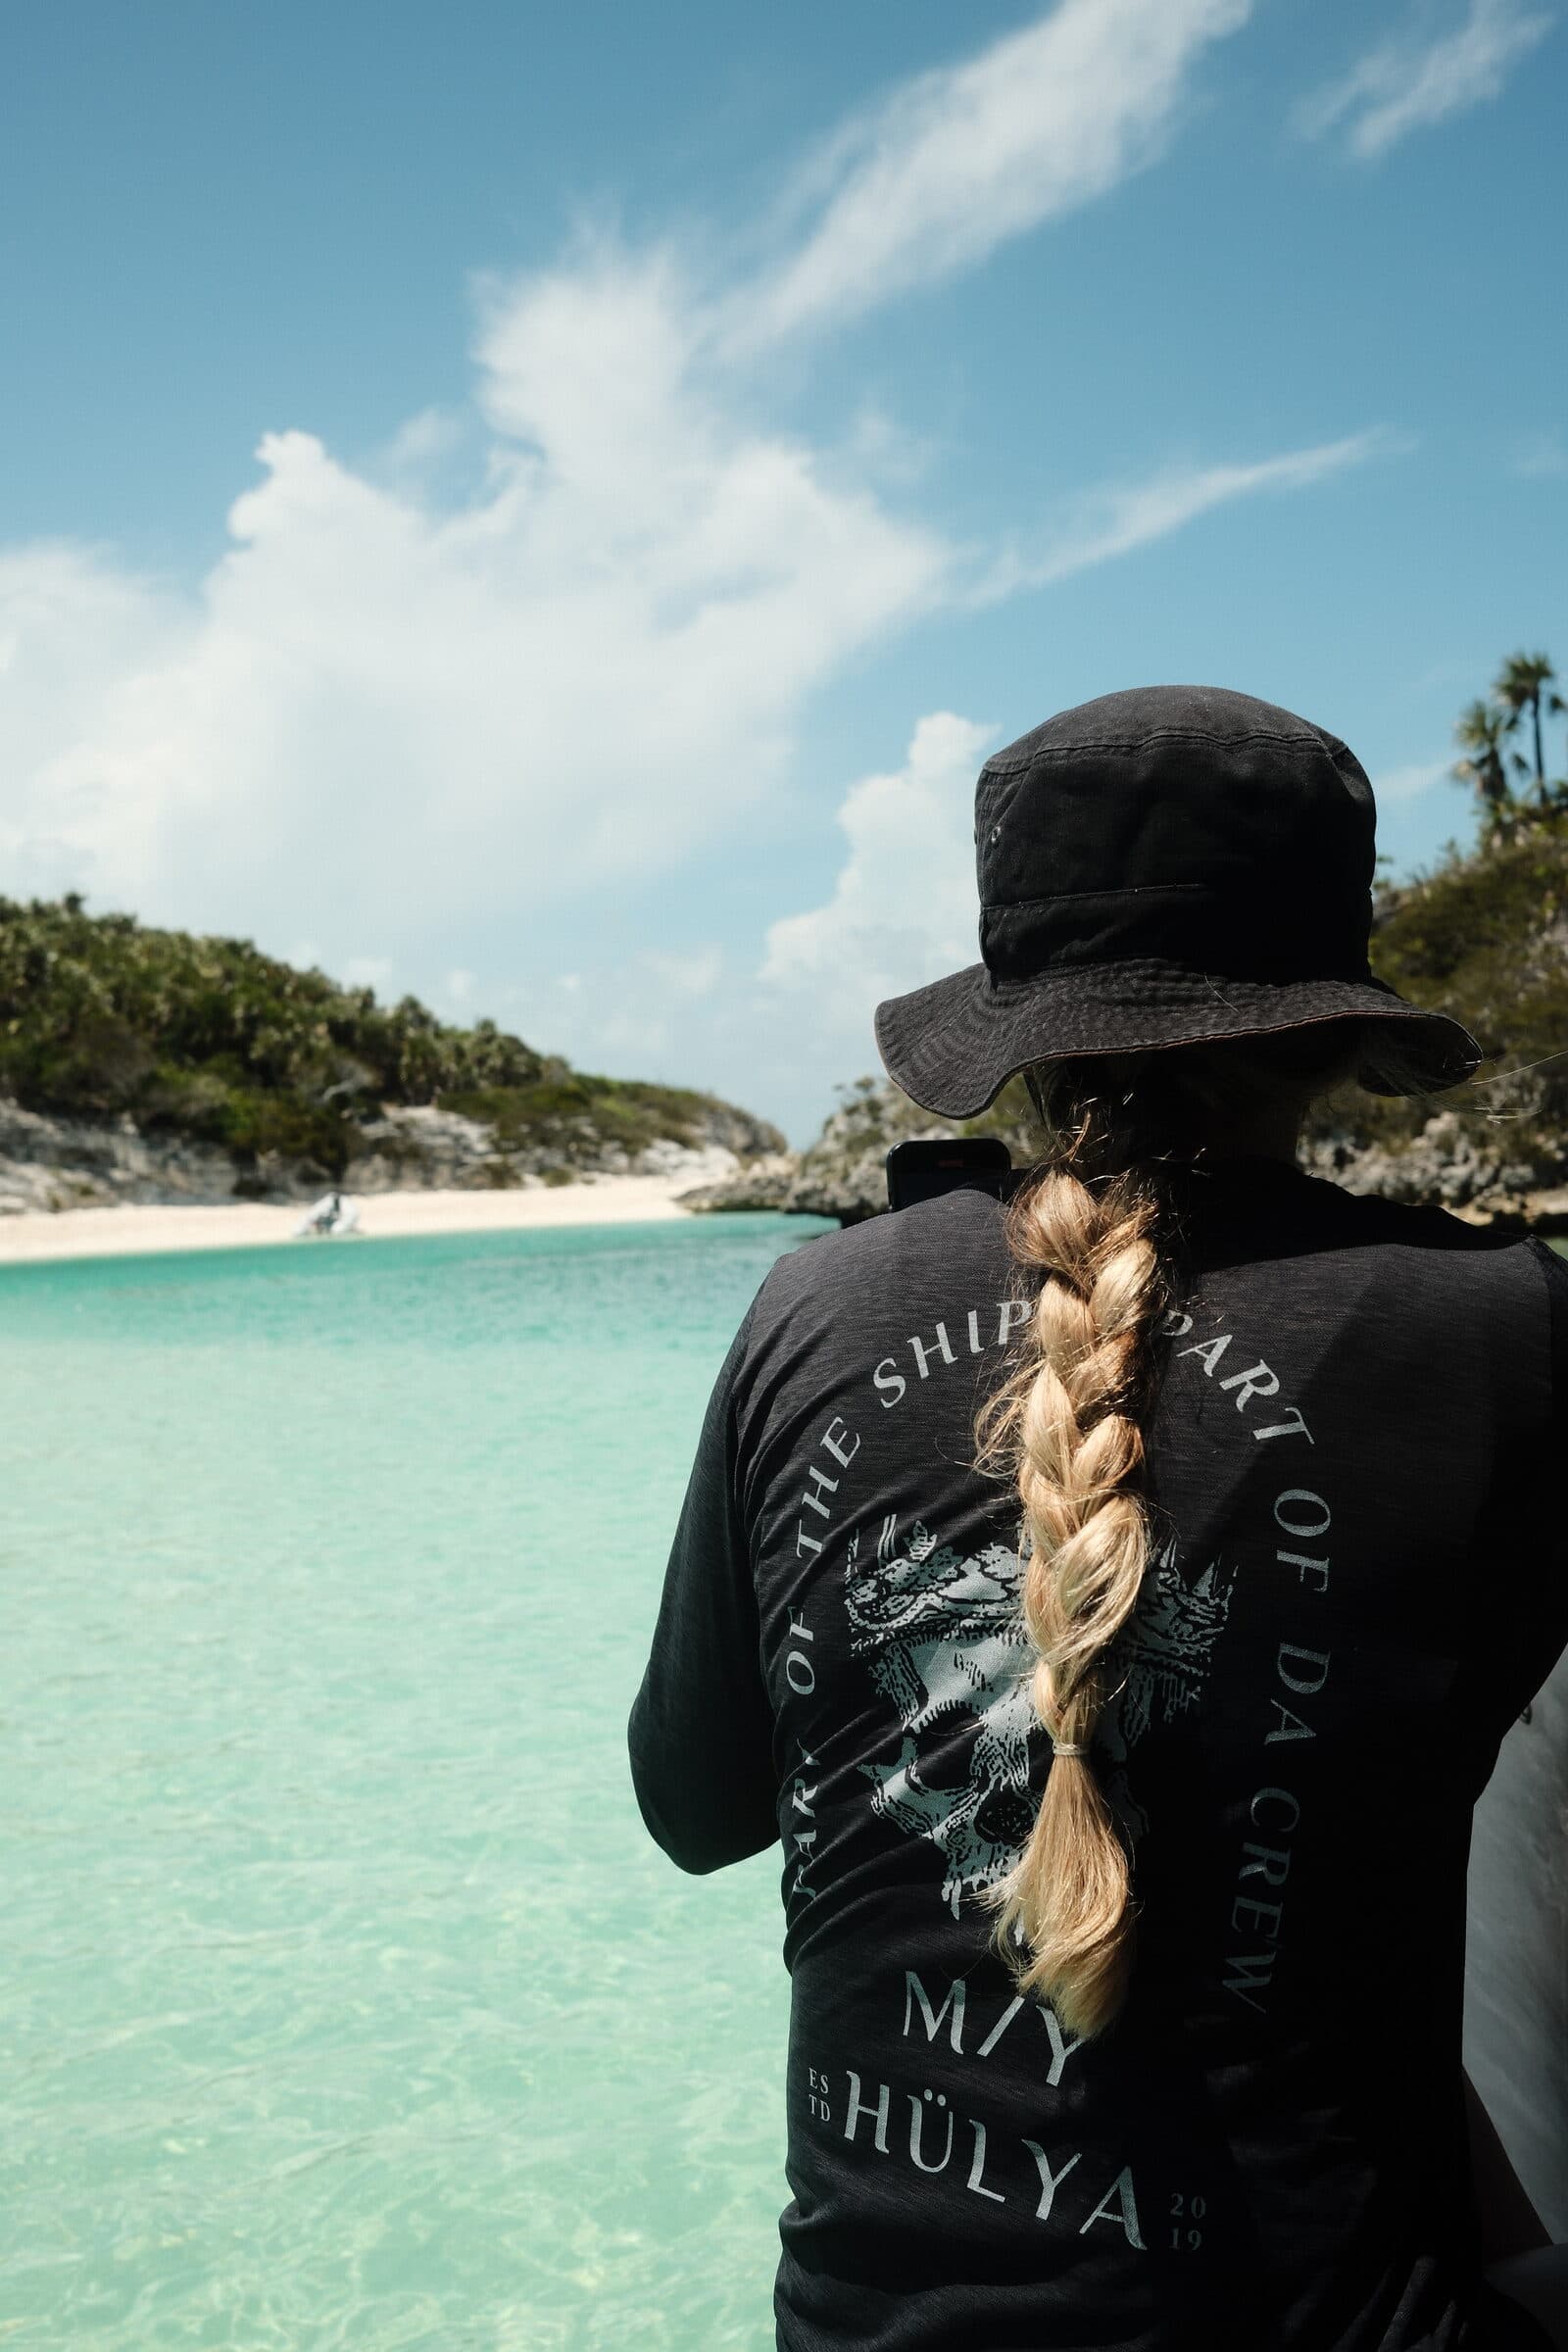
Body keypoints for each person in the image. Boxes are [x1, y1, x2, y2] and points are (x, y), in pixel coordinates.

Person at [628, 686, 1568, 2350]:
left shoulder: (812, 1311)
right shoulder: (1499, 1328)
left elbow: (697, 1807)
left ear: (1019, 1033)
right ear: (1336, 1029)